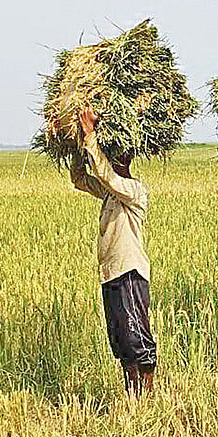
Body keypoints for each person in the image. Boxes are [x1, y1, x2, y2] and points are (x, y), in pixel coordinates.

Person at [70, 108, 156, 396]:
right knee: (120, 341)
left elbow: (106, 176)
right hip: (110, 273)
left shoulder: (133, 190)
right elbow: (80, 179)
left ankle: (148, 395)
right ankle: (132, 394)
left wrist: (91, 135)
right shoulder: (109, 191)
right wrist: (76, 144)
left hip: (129, 271)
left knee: (137, 338)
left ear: (128, 158)